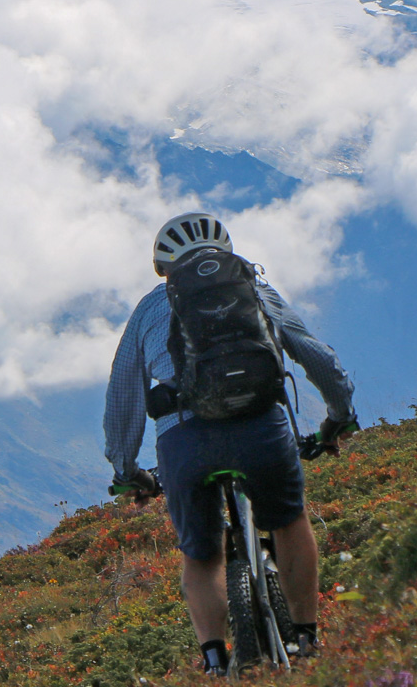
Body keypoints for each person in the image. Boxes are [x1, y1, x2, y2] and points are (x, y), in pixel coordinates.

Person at [103, 211, 358, 674]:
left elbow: (123, 399)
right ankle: (306, 637)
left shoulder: (149, 309)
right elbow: (315, 356)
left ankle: (216, 662)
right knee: (288, 519)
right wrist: (340, 417)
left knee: (201, 554)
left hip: (184, 442)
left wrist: (126, 472)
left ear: (165, 267)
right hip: (260, 427)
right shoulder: (255, 289)